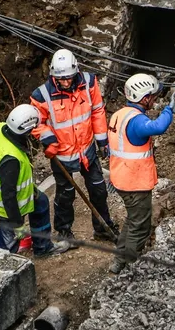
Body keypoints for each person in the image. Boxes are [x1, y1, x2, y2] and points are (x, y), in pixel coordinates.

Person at [30, 49, 118, 241]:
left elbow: (97, 111)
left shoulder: (89, 83)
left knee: (98, 190)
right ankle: (64, 232)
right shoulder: (42, 95)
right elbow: (37, 122)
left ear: (76, 72)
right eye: (61, 79)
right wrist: (48, 140)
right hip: (62, 154)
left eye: (69, 78)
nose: (66, 82)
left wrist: (102, 141)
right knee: (65, 195)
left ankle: (103, 228)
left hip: (87, 150)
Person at [0, 104, 71, 256]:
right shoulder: (10, 160)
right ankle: (0, 265)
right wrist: (17, 224)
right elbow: (9, 196)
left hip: (13, 194)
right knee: (8, 241)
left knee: (41, 203)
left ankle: (43, 247)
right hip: (7, 208)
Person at [106, 73, 175, 274]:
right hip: (134, 183)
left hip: (121, 178)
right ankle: (129, 266)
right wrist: (169, 110)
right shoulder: (136, 121)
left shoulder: (120, 114)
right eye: (153, 96)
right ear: (144, 98)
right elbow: (159, 126)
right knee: (140, 226)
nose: (154, 99)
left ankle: (119, 260)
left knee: (132, 220)